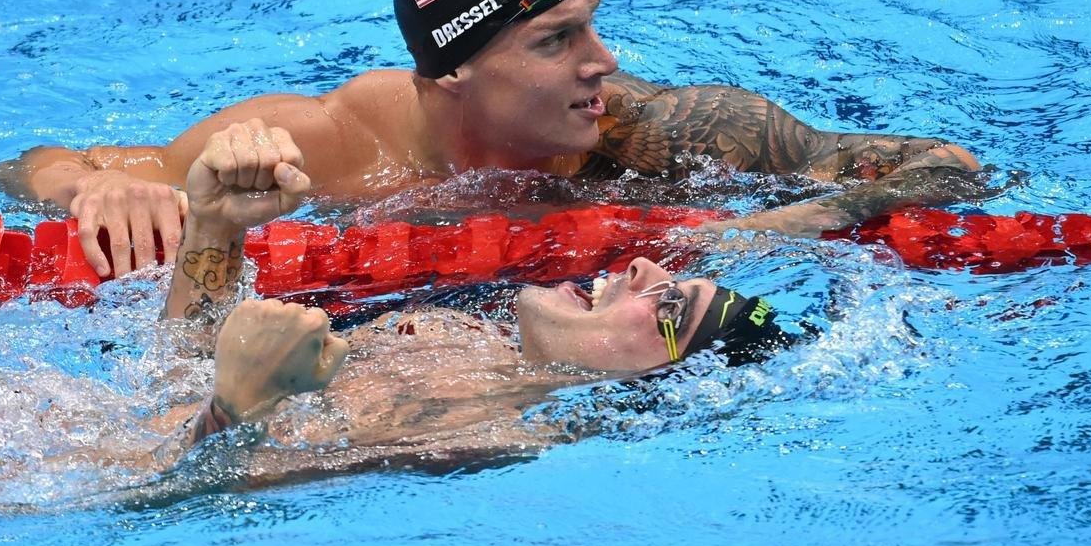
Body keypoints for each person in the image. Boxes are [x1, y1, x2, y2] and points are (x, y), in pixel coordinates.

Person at [0, 0, 982, 278]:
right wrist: (92, 189)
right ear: (453, 72)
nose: (603, 58)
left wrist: (771, 228)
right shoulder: (332, 145)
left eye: (592, 21)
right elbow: (27, 162)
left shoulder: (664, 133)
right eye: (558, 40)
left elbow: (949, 170)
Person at [153, 121, 793, 475]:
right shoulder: (474, 345)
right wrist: (216, 227)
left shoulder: (476, 429)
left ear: (658, 377)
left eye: (669, 309)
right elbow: (183, 367)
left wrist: (236, 412)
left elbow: (178, 493)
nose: (643, 266)